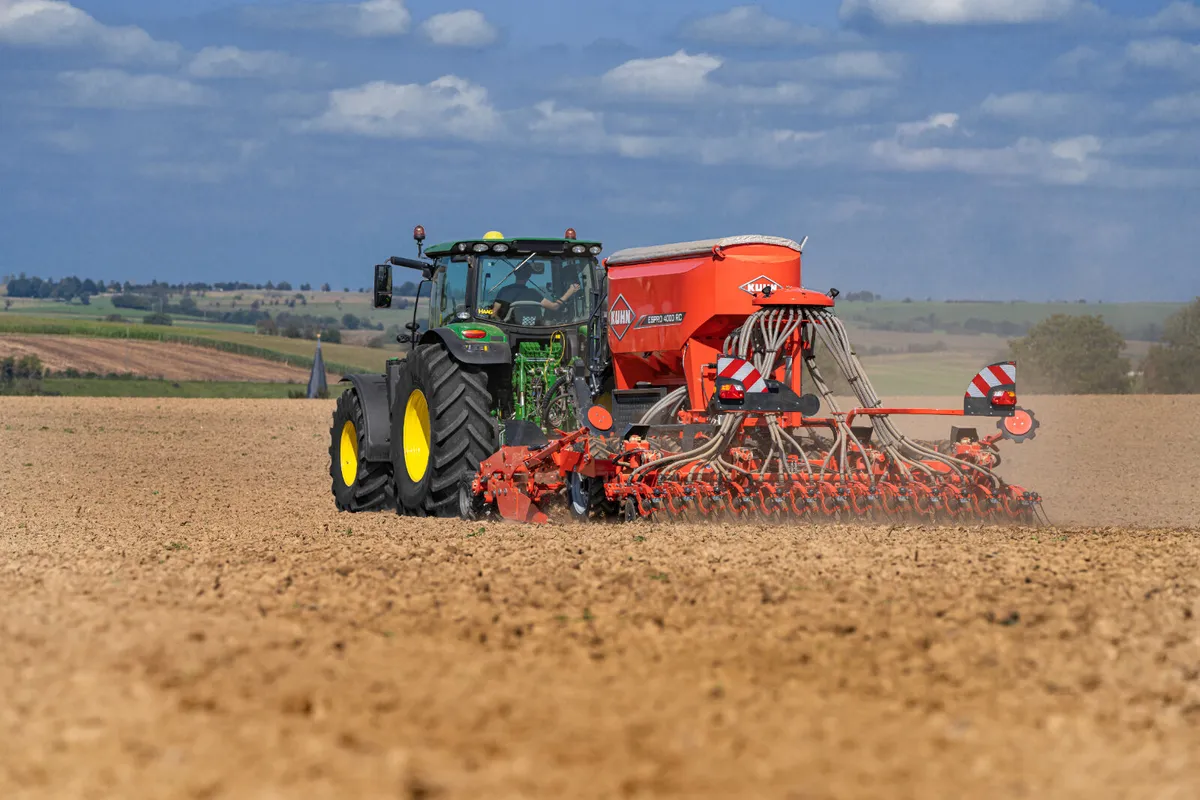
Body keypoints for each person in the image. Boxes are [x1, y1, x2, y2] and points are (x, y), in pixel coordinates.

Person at [492, 263, 580, 322]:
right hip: (536, 329)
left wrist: (502, 324)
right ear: (529, 275)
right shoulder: (533, 293)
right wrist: (570, 291)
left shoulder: (504, 291)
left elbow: (494, 314)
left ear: (515, 273)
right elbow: (554, 307)